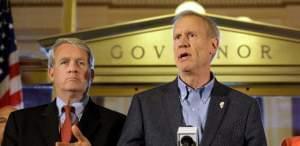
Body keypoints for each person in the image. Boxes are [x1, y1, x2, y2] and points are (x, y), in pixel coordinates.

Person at [117, 11, 267, 146]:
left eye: (191, 35)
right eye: (177, 37)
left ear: (213, 45)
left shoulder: (244, 107)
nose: (182, 43)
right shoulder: (145, 105)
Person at [2, 38, 126, 146]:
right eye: (64, 62)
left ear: (91, 75)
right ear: (51, 73)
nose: (72, 69)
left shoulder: (118, 123)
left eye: (80, 63)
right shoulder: (20, 121)